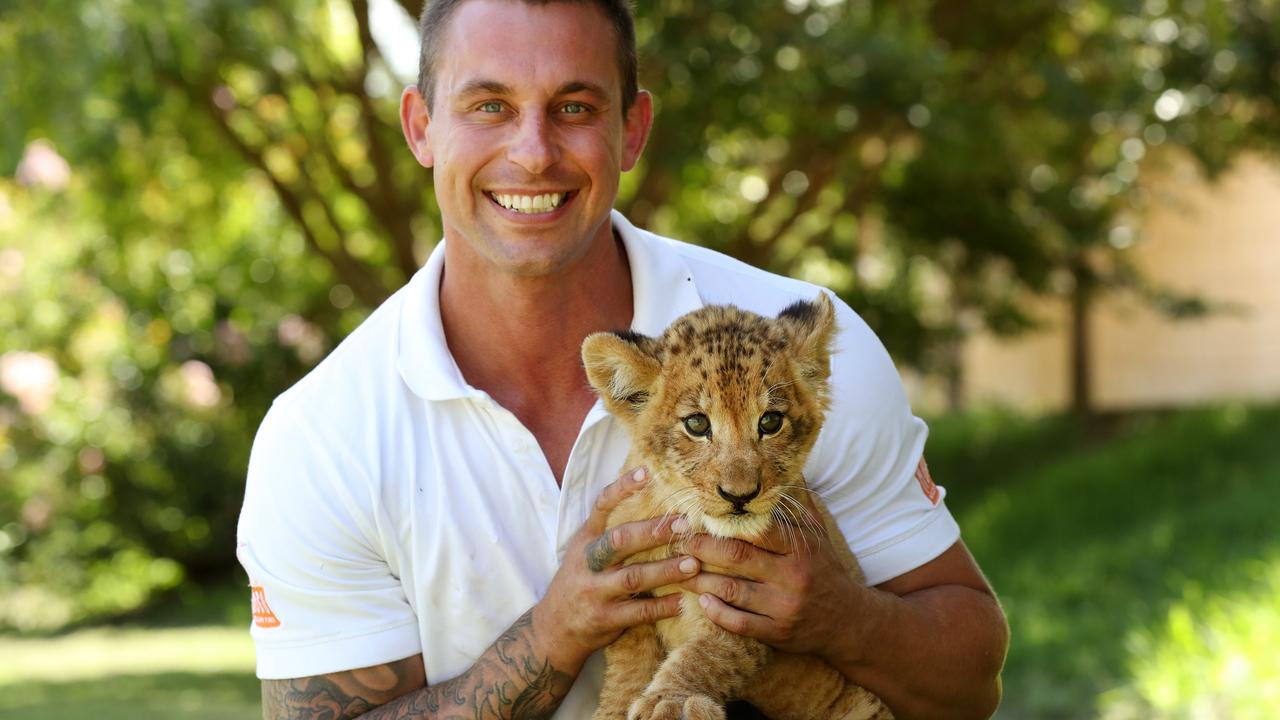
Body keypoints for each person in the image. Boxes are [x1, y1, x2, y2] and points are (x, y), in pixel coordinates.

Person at [235, 0, 1009, 718]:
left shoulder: (794, 354)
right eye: (489, 106)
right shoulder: (319, 438)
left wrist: (844, 618)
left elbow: (971, 684)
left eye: (575, 107)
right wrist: (550, 636)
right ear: (420, 126)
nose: (533, 153)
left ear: (632, 130)